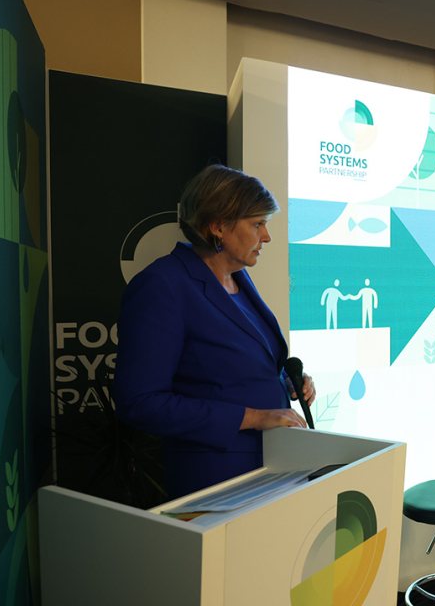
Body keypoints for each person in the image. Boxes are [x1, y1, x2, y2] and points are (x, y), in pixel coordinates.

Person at [114, 164, 316, 499]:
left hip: (274, 472)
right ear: (218, 226)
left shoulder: (239, 278)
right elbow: (139, 402)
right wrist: (252, 417)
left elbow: (230, 372)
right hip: (217, 483)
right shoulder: (163, 286)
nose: (266, 237)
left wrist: (288, 384)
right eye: (257, 224)